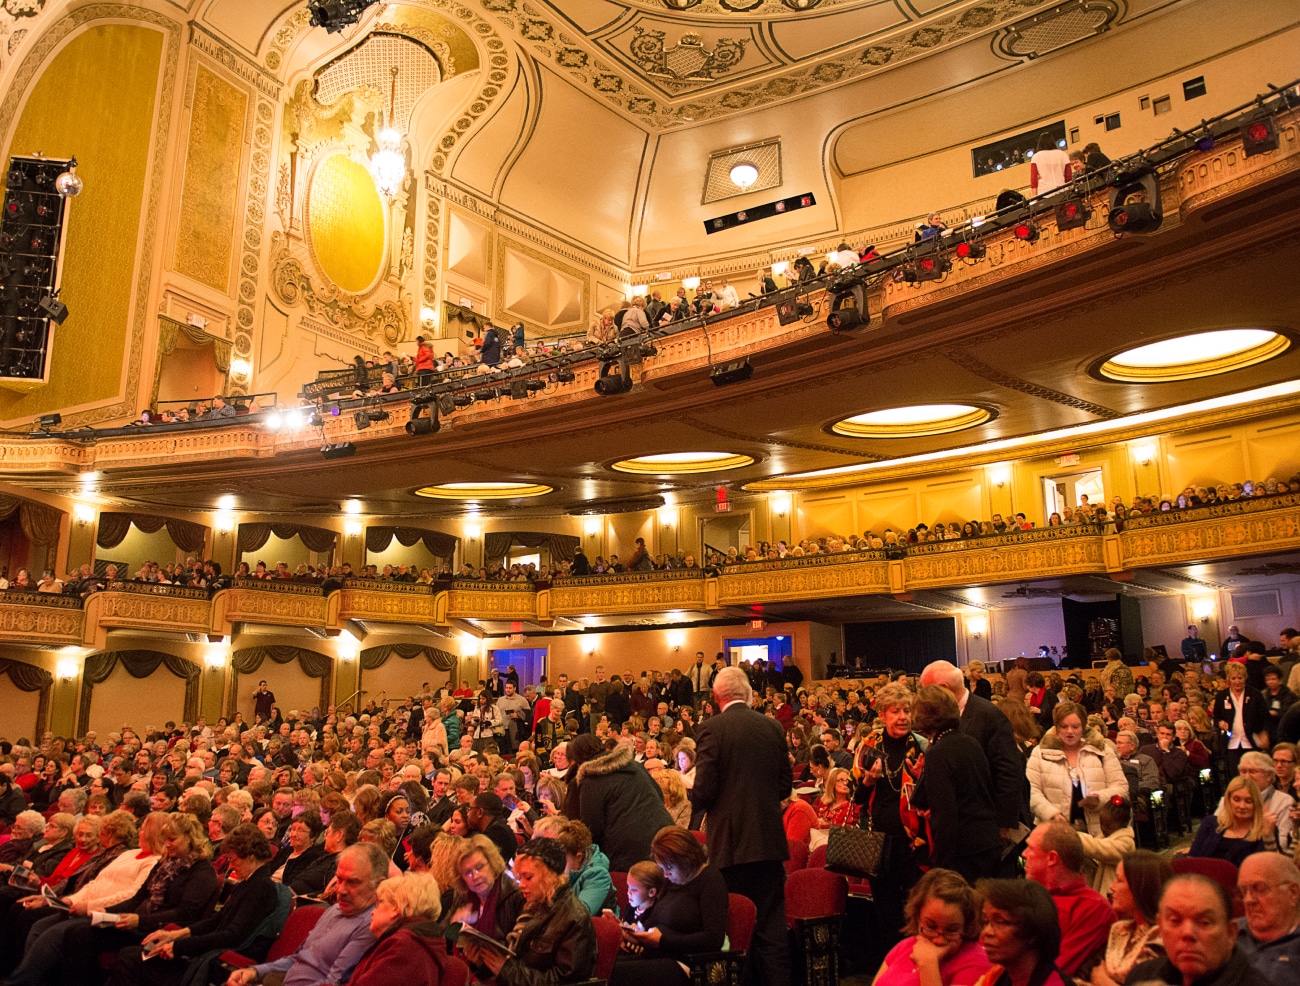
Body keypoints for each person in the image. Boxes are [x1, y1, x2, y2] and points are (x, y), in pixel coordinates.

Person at [690, 665, 791, 986]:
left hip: (730, 848)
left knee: (737, 930)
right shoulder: (772, 727)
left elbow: (704, 790)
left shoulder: (712, 729)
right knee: (772, 931)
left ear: (716, 697)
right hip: (769, 844)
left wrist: (689, 790)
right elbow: (784, 788)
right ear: (748, 694)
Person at [105, 823, 279, 986]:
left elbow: (232, 935)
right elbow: (217, 920)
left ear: (250, 856)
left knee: (131, 960)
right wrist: (178, 934)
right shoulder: (250, 883)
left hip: (220, 960)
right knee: (130, 954)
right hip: (210, 950)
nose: (231, 867)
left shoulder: (261, 887)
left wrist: (179, 946)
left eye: (234, 860)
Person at [223, 842, 386, 986]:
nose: (341, 890)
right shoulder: (334, 910)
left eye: (353, 882)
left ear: (379, 885)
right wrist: (255, 972)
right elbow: (298, 960)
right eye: (339, 880)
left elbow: (332, 982)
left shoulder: (370, 925)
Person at [459, 838, 596, 985]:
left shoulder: (575, 918)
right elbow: (514, 965)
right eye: (520, 878)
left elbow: (565, 982)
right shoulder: (533, 906)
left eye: (528, 877)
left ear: (549, 876)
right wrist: (481, 964)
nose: (521, 885)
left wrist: (506, 971)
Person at [920, 661, 1028, 845]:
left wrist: (1003, 824)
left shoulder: (989, 715)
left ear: (944, 689)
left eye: (927, 692)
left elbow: (1009, 772)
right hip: (957, 824)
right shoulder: (942, 717)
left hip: (986, 826)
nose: (924, 699)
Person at [612, 826, 728, 986]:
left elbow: (713, 939)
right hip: (661, 954)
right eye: (662, 869)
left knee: (616, 973)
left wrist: (663, 941)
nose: (665, 875)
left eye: (669, 868)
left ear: (687, 860)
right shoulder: (671, 881)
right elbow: (651, 922)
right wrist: (629, 933)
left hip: (688, 962)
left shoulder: (710, 880)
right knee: (604, 962)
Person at [908, 685, 1002, 882]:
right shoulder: (970, 742)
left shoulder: (939, 752)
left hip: (964, 851)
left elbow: (945, 816)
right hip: (988, 842)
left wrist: (940, 865)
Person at [1129, 874, 1263, 985]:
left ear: (1231, 933)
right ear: (1161, 927)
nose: (1188, 933)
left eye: (1204, 922)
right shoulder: (1142, 976)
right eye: (1175, 921)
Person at [567, 733, 672, 872]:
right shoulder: (634, 765)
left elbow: (591, 828)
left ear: (578, 761)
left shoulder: (591, 781)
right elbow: (659, 794)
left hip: (629, 851)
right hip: (666, 836)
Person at [1021, 821, 1114, 977]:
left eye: (1030, 848)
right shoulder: (1024, 898)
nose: (1024, 854)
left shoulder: (1093, 908)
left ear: (1051, 858)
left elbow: (1055, 971)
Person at [872, 869, 991, 986]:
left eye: (951, 930)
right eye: (931, 927)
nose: (939, 940)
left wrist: (928, 964)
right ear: (918, 917)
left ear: (966, 926)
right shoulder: (905, 947)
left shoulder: (975, 962)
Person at [1026, 702, 1127, 836]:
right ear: (1056, 726)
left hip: (1098, 835)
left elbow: (1121, 787)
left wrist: (1100, 798)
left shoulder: (1102, 751)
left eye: (1075, 727)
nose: (1070, 731)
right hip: (1053, 833)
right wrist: (1051, 814)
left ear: (1083, 726)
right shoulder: (1040, 753)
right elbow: (1032, 792)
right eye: (1064, 726)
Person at [346, 871, 460, 986]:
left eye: (379, 903)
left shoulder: (404, 947)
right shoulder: (413, 941)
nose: (372, 912)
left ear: (395, 908)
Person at [1088, 849, 1172, 986]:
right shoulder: (1121, 929)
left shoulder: (1160, 941)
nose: (1112, 887)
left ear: (1140, 888)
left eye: (1119, 881)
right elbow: (1095, 968)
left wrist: (1104, 981)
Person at [970, 879, 1071, 986]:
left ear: (1032, 931)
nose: (986, 932)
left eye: (1000, 922)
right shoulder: (997, 975)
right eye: (985, 922)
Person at [1233, 852, 1300, 986]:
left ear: (1293, 893)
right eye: (1243, 891)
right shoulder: (1226, 934)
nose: (1249, 900)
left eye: (1259, 889)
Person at [444, 834, 524, 941]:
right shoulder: (462, 896)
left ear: (492, 863)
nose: (475, 876)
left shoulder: (515, 894)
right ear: (461, 877)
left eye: (480, 867)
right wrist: (453, 927)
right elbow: (442, 940)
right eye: (468, 872)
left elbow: (519, 946)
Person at [1188, 776, 1269, 866]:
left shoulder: (1264, 830)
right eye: (1236, 800)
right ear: (1228, 800)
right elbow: (1193, 859)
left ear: (1256, 804)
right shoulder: (1210, 823)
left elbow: (1261, 868)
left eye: (1248, 801)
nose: (1242, 806)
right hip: (1204, 877)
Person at [1213, 662, 1269, 776]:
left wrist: (1264, 733)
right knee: (1236, 776)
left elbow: (1266, 717)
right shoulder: (1222, 696)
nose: (1237, 681)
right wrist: (1220, 722)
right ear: (1228, 679)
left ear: (1245, 678)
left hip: (1252, 742)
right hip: (1232, 744)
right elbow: (1216, 718)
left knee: (1254, 775)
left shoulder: (1255, 694)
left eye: (1240, 678)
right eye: (1233, 678)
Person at [557, 819, 615, 917]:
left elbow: (580, 914)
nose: (559, 863)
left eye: (563, 858)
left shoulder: (599, 875)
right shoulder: (572, 869)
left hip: (595, 929)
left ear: (579, 857)